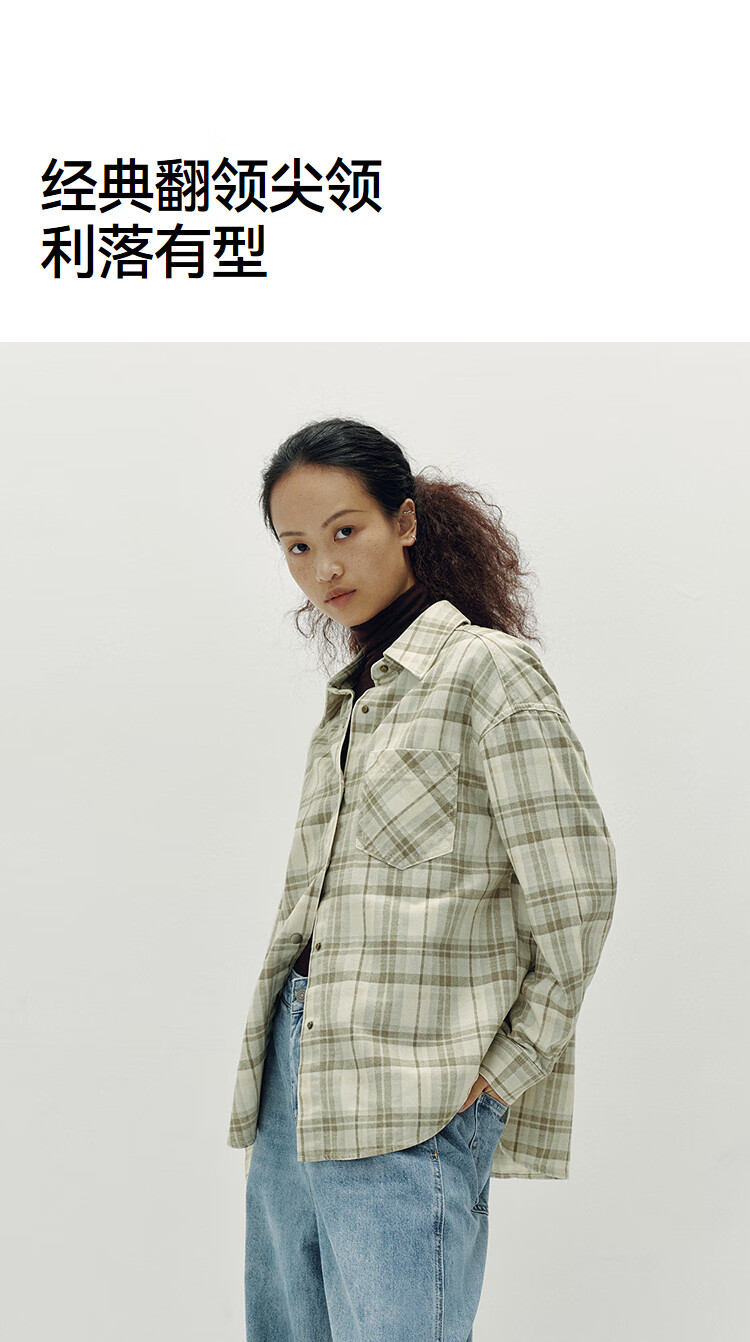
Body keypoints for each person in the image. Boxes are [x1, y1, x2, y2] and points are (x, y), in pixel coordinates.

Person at [227, 418, 617, 1342]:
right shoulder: (353, 698)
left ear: (404, 522)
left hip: (416, 1091)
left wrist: (502, 1073)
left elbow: (579, 895)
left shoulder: (489, 673)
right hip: (297, 1077)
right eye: (297, 547)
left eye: (345, 530)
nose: (325, 566)